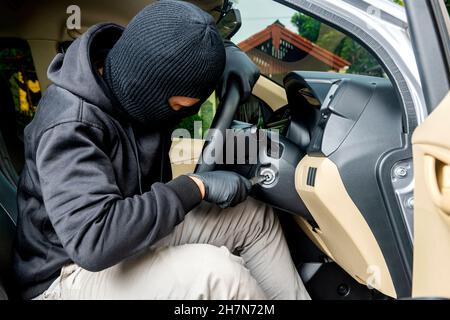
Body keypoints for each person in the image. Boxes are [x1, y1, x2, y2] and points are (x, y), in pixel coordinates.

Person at [13, 0, 310, 300]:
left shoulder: (130, 79)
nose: (178, 118)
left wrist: (223, 56)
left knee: (251, 217)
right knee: (217, 276)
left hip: (124, 237)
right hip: (65, 274)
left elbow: (179, 44)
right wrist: (195, 187)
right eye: (179, 107)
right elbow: (95, 239)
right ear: (145, 88)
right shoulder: (69, 123)